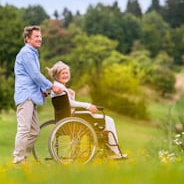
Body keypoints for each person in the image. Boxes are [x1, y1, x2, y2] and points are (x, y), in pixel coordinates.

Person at [47, 61, 127, 159]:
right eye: (63, 73)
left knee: (105, 121)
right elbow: (70, 104)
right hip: (72, 119)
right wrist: (88, 106)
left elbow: (67, 104)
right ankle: (113, 152)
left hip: (68, 117)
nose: (66, 75)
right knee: (108, 120)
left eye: (67, 73)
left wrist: (72, 94)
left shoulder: (59, 87)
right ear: (56, 75)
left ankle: (108, 150)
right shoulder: (59, 88)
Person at [13, 25, 62, 164]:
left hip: (32, 96)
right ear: (27, 39)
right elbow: (35, 74)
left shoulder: (32, 53)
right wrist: (51, 86)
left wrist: (41, 89)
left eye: (40, 36)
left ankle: (23, 158)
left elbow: (31, 76)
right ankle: (18, 159)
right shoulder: (27, 53)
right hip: (25, 96)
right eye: (36, 36)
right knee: (24, 129)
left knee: (34, 131)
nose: (40, 39)